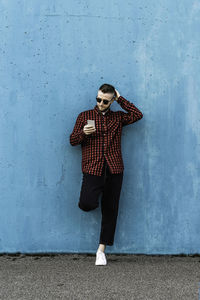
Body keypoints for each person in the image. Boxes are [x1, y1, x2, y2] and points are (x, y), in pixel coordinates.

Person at [69, 83, 143, 265]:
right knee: (87, 203)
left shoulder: (118, 118)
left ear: (111, 101)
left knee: (111, 209)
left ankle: (101, 250)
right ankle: (96, 196)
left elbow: (137, 115)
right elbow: (72, 140)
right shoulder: (85, 116)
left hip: (114, 168)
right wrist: (83, 133)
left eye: (105, 101)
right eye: (98, 99)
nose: (100, 103)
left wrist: (120, 98)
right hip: (93, 168)